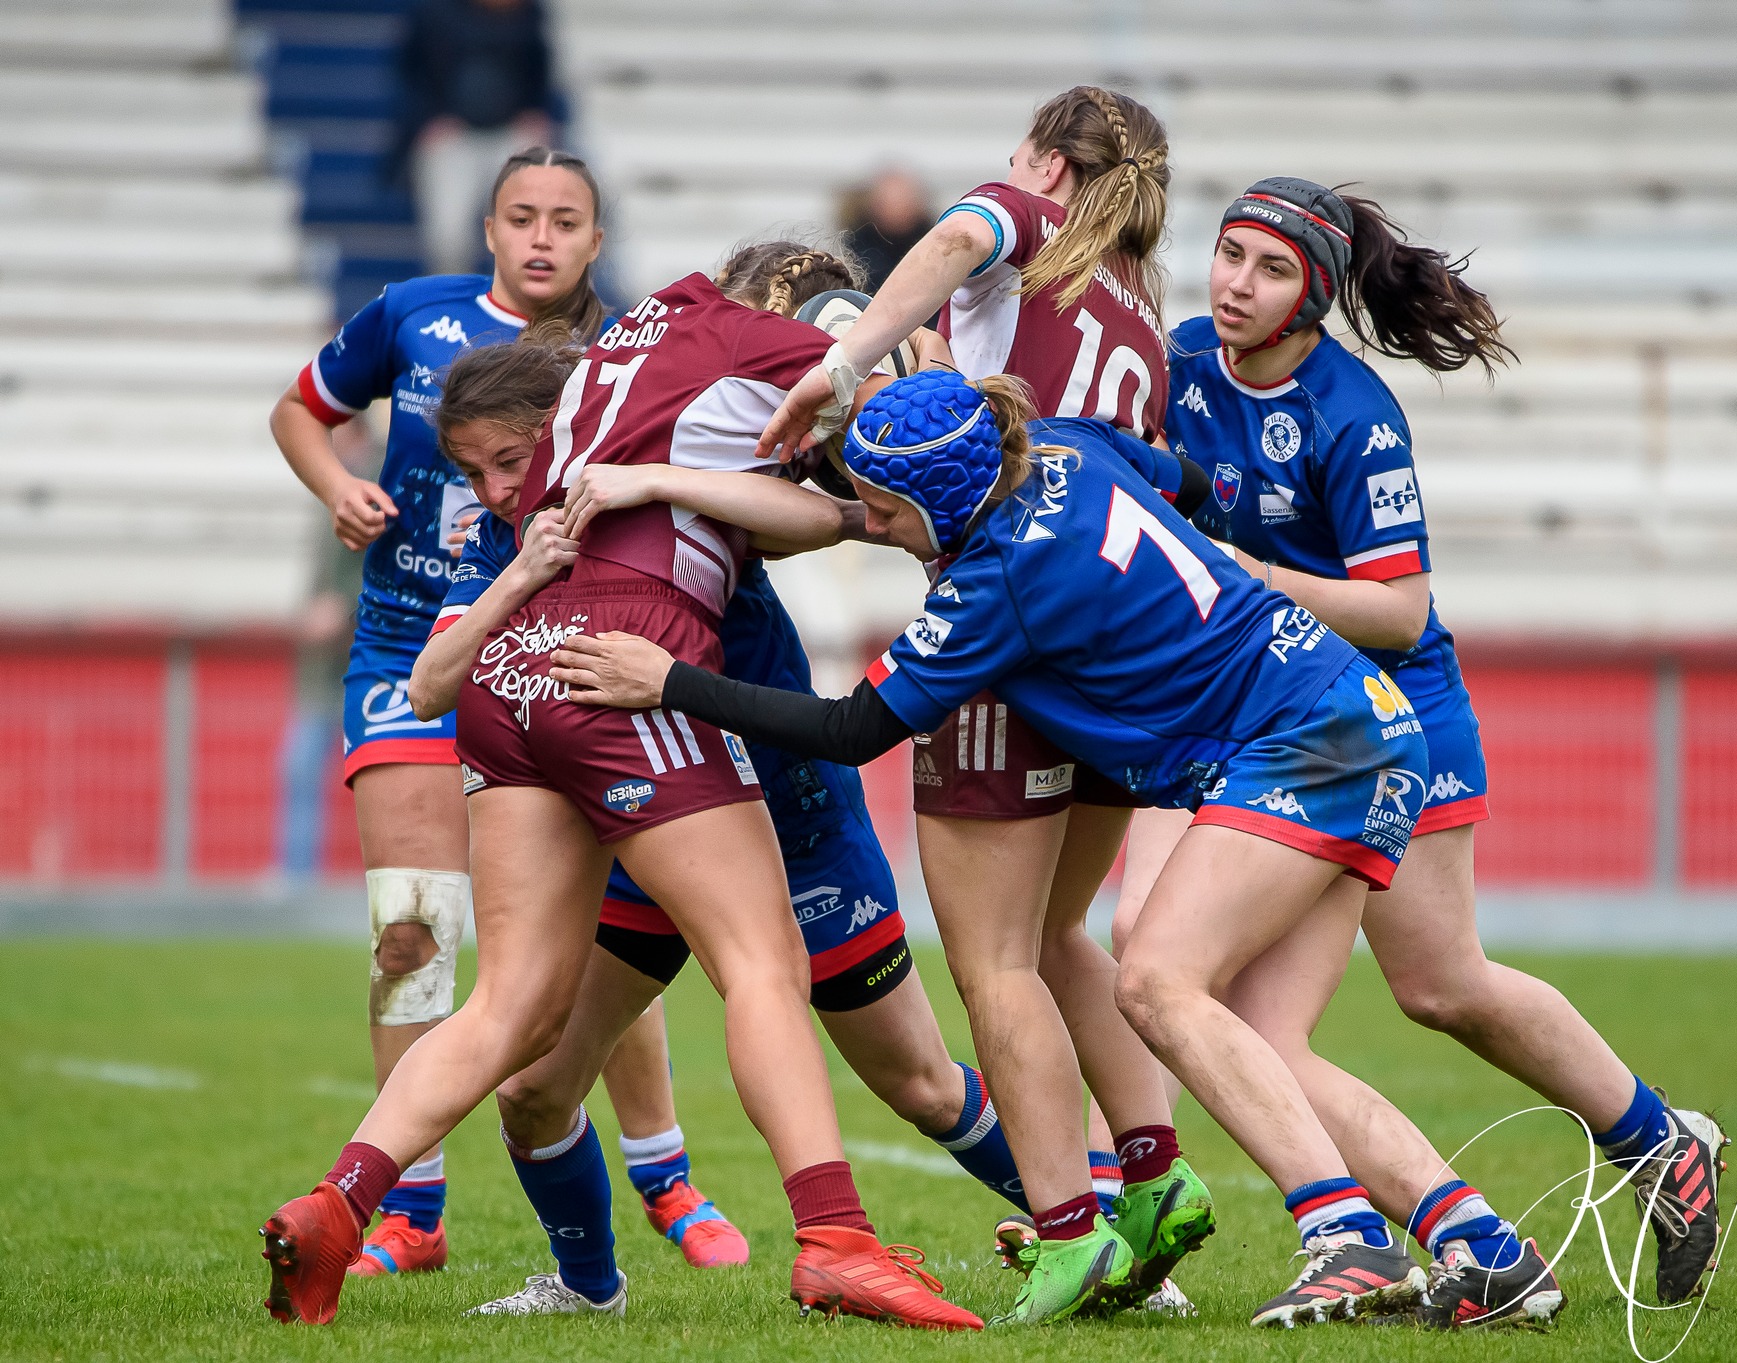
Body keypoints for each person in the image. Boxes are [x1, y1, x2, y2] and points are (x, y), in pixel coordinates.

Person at [550, 369, 1446, 1328]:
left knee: (1152, 981)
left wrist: (669, 680)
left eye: (887, 511)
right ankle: (1474, 1246)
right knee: (1198, 1002)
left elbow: (854, 728)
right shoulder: (1065, 442)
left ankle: (1341, 1237)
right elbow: (1190, 479)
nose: (876, 526)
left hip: (1308, 742)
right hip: (1355, 715)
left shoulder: (1000, 577)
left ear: (939, 501)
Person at [257, 262, 981, 1331]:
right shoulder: (730, 337)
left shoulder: (601, 370)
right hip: (622, 666)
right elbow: (871, 402)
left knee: (509, 1006)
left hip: (511, 687)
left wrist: (663, 484)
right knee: (762, 964)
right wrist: (897, 384)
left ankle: (339, 1200)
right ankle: (834, 1239)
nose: (502, 480)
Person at [1146, 176, 1728, 1323]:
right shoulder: (1176, 364)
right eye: (1226, 255)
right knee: (1277, 1023)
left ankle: (1648, 1148)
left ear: (1313, 295)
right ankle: (1468, 1230)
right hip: (1290, 720)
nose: (1234, 284)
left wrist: (1249, 579)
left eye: (1268, 270)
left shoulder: (1351, 412)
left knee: (1438, 984)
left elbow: (1401, 610)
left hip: (1390, 706)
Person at [752, 87, 1212, 1323]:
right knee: (1064, 940)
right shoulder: (1137, 311)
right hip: (1117, 657)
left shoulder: (1028, 222)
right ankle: (1152, 1179)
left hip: (1007, 629)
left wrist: (845, 363)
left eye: (1019, 151)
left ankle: (1071, 1230)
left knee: (993, 957)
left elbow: (955, 243)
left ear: (1046, 160)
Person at [271, 146, 703, 1280]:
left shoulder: (620, 351)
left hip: (551, 642)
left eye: (567, 219)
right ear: (490, 231)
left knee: (586, 925)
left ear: (596, 243)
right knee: (410, 926)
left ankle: (664, 1171)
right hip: (409, 647)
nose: (543, 236)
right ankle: (413, 1211)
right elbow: (299, 411)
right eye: (522, 216)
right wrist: (338, 487)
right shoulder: (410, 316)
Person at [395, 0, 558, 276]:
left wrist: (535, 112)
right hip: (452, 135)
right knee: (448, 238)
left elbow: (539, 72)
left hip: (511, 134)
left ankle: (525, 308)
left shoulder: (530, 15)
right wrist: (426, 119)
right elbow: (410, 72)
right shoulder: (432, 15)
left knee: (531, 229)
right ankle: (454, 306)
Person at [839, 166, 935, 294]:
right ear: (874, 204)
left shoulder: (934, 244)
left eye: (903, 199)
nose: (898, 208)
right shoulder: (854, 249)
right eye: (890, 201)